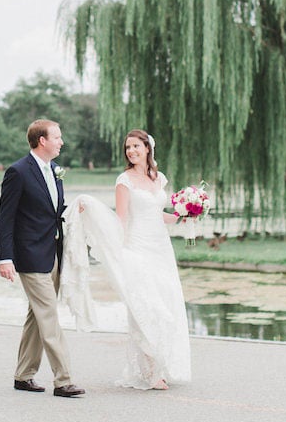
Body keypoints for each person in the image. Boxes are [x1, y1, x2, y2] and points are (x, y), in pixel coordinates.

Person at [61, 128, 191, 390]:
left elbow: (157, 214)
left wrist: (182, 215)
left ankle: (163, 364)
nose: (131, 151)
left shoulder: (159, 178)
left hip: (161, 249)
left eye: (136, 146)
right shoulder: (124, 180)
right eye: (128, 147)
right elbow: (121, 218)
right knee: (146, 305)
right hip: (138, 248)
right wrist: (115, 246)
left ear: (147, 148)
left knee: (167, 301)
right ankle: (151, 373)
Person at [0, 119, 85, 398]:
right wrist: (5, 258)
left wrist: (76, 212)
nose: (61, 142)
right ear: (42, 141)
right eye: (57, 137)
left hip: (53, 254)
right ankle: (64, 380)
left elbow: (52, 211)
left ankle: (23, 376)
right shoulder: (18, 172)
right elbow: (5, 218)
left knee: (37, 316)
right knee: (48, 316)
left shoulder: (55, 170)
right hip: (30, 256)